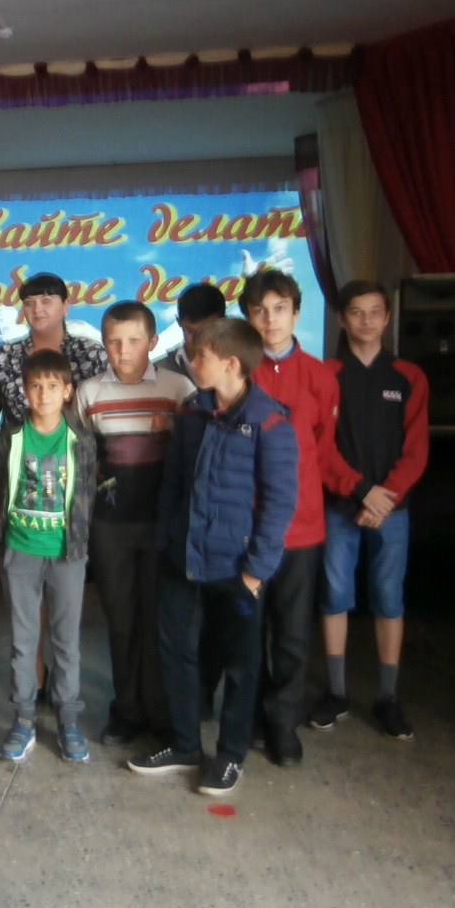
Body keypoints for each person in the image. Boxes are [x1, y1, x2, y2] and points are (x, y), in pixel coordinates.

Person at [132, 317, 298, 795]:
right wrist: (168, 540)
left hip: (238, 569)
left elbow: (279, 503)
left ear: (231, 363)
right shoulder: (192, 412)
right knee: (176, 652)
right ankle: (185, 744)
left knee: (242, 665)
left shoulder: (270, 421)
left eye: (200, 355)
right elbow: (173, 483)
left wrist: (256, 572)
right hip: (182, 558)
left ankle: (230, 756)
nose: (192, 360)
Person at [313, 281, 429, 739]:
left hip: (392, 511)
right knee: (334, 595)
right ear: (342, 319)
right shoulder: (326, 374)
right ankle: (336, 692)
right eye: (356, 312)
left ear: (387, 317)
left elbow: (416, 450)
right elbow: (320, 446)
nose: (366, 320)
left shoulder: (409, 376)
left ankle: (387, 697)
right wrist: (362, 490)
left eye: (375, 311)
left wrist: (386, 497)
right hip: (339, 505)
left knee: (388, 598)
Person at [75, 301, 194, 747]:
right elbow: (80, 460)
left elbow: (193, 457)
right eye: (113, 341)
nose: (123, 350)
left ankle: (161, 715)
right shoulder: (89, 393)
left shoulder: (178, 389)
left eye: (133, 341)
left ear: (153, 342)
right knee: (121, 621)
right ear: (103, 343)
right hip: (111, 527)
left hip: (162, 525)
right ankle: (126, 710)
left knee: (158, 622)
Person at [238, 269, 338, 767]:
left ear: (296, 314)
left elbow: (321, 447)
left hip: (301, 528)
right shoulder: (237, 372)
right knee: (248, 631)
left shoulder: (320, 376)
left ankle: (283, 724)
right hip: (246, 528)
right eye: (259, 310)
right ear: (247, 317)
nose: (270, 319)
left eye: (279, 308)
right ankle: (250, 717)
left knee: (294, 634)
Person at [0, 349, 97, 763]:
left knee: (66, 641)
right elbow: (0, 487)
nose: (44, 394)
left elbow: (87, 495)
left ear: (67, 391)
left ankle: (68, 720)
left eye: (53, 386)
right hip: (20, 550)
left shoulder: (81, 438)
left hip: (66, 554)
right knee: (23, 642)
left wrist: (81, 542)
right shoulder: (12, 435)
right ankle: (23, 719)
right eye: (35, 386)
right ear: (24, 390)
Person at [0, 272, 109, 432]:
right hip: (16, 447)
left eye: (46, 301)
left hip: (81, 446)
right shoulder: (3, 356)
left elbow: (110, 411)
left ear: (65, 306)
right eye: (29, 303)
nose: (37, 309)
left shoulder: (91, 353)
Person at [157, 281, 228, 384]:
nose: (200, 340)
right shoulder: (158, 373)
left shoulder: (242, 364)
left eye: (208, 331)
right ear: (179, 322)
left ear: (224, 322)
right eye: (192, 331)